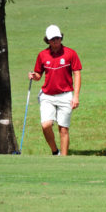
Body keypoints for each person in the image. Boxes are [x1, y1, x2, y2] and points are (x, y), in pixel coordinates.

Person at [29, 25, 82, 156]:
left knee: (63, 129)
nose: (56, 41)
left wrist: (76, 96)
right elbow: (38, 75)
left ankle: (63, 159)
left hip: (65, 95)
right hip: (47, 95)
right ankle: (55, 151)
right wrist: (33, 76)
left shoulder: (70, 53)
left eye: (58, 38)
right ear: (47, 40)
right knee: (46, 125)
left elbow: (77, 74)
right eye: (53, 39)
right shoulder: (42, 55)